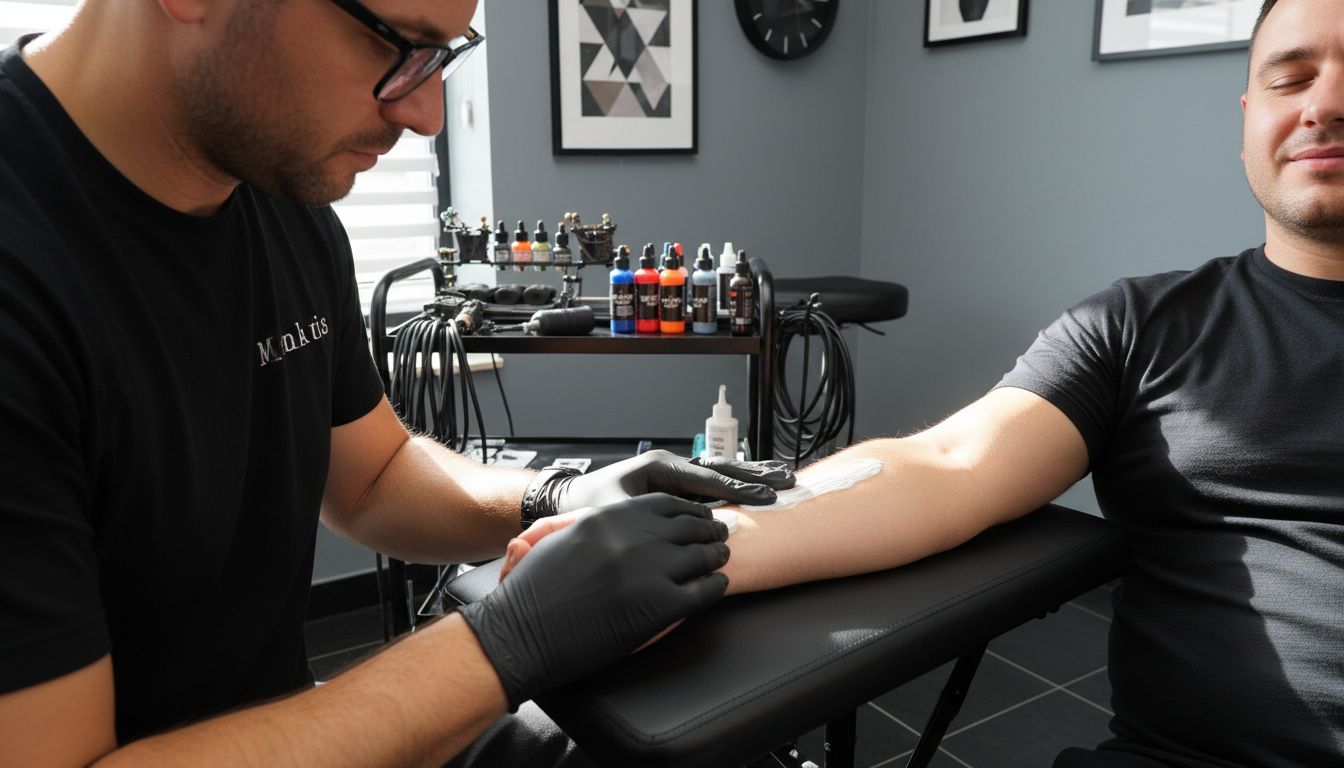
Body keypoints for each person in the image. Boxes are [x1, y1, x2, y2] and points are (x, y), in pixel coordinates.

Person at [512, 1, 1344, 764]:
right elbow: (948, 461)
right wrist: (684, 547)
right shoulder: (1143, 327)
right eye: (1291, 77)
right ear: (1248, 120)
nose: (1324, 105)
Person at [0, 0, 797, 766]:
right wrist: (504, 642)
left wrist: (555, 496)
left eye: (446, 55)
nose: (428, 118)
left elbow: (374, 476)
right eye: (397, 46)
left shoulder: (284, 205)